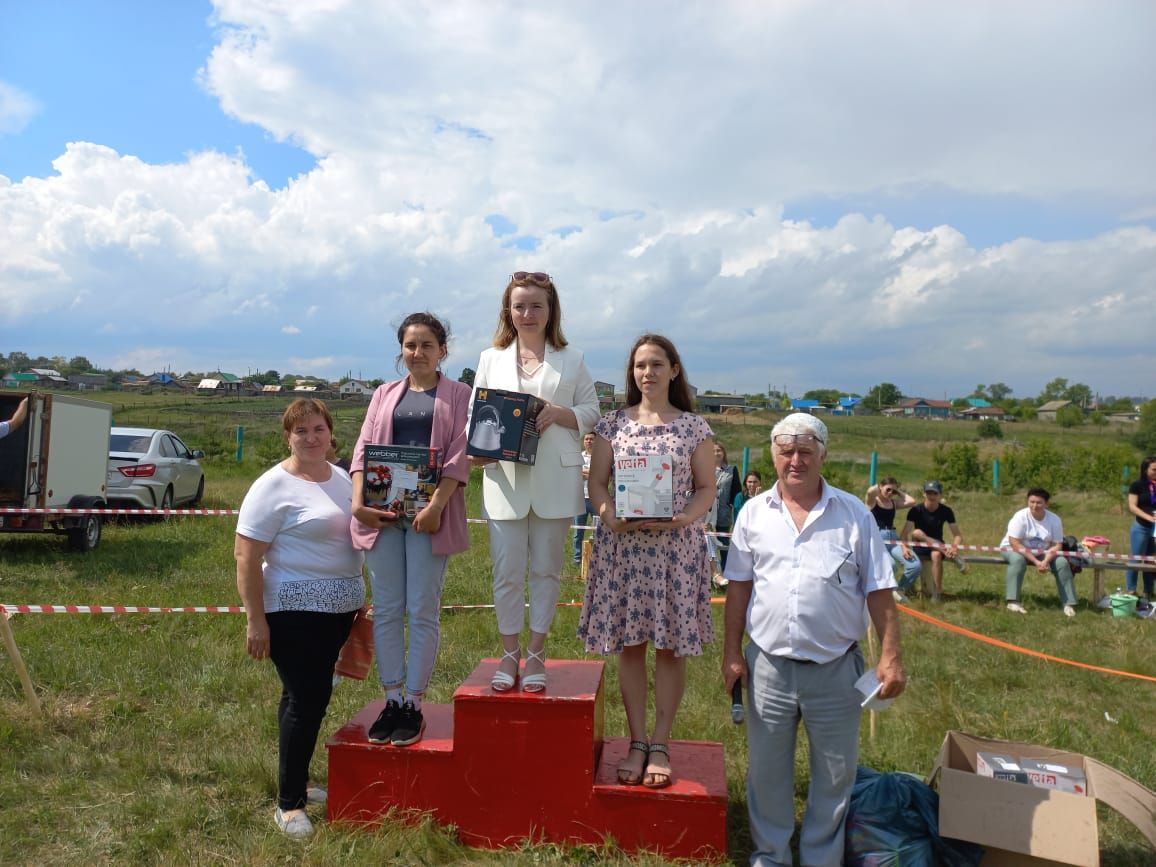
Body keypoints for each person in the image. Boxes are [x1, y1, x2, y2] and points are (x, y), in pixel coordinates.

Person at [722, 413, 906, 866]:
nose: (796, 461)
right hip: (767, 666)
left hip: (836, 669)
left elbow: (879, 589)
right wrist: (730, 653)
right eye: (786, 451)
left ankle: (821, 857)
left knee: (835, 774)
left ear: (823, 454)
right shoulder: (752, 513)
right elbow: (739, 587)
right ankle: (771, 855)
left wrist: (890, 656)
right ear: (773, 454)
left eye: (806, 451)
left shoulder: (854, 515)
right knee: (766, 774)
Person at [577, 334, 716, 789]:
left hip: (675, 552)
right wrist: (608, 516)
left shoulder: (694, 427)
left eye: (657, 364)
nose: (648, 373)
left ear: (674, 370)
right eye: (640, 365)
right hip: (625, 550)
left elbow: (706, 489)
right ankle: (636, 741)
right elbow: (597, 483)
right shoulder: (612, 426)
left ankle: (661, 742)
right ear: (631, 372)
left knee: (671, 649)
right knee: (631, 646)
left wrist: (683, 519)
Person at [235, 398, 366, 839]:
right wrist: (256, 621)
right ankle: (288, 804)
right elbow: (245, 556)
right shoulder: (272, 486)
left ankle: (301, 782)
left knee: (303, 698)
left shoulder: (344, 478)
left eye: (318, 429)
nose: (311, 438)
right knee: (306, 699)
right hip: (292, 611)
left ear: (331, 433)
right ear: (287, 436)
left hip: (339, 611)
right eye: (301, 431)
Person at [470, 271, 600, 693]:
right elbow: (479, 415)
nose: (527, 313)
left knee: (546, 572)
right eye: (519, 305)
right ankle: (509, 654)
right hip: (504, 481)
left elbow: (592, 411)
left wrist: (560, 413)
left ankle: (538, 654)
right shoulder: (490, 359)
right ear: (508, 311)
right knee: (506, 572)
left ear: (551, 311)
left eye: (536, 305)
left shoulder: (573, 358)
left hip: (555, 482)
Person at [350, 312, 471, 747]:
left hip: (427, 520)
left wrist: (437, 506)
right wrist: (358, 504)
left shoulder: (459, 395)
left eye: (426, 345)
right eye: (410, 345)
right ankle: (392, 698)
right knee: (385, 609)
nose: (417, 352)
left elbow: (459, 456)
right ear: (400, 350)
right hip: (382, 518)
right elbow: (363, 450)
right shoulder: (383, 394)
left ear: (442, 350)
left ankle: (415, 705)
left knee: (421, 609)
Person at [1000, 487, 1078, 617]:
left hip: (1042, 552)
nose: (1034, 505)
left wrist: (1045, 561)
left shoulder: (1055, 520)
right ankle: (1012, 601)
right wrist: (1036, 562)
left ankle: (1068, 604)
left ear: (1047, 504)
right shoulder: (1020, 517)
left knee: (1062, 562)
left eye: (1039, 502)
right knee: (1018, 561)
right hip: (1012, 549)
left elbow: (1056, 544)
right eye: (1031, 502)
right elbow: (1015, 543)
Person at [899, 480, 968, 602]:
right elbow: (904, 534)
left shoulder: (946, 511)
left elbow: (957, 535)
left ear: (940, 495)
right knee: (916, 532)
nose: (931, 496)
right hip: (920, 544)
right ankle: (952, 555)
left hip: (937, 546)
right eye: (929, 493)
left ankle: (937, 592)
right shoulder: (916, 510)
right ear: (924, 494)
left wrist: (954, 547)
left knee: (936, 555)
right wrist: (905, 548)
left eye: (935, 493)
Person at [864, 477, 922, 602]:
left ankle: (899, 590)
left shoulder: (893, 503)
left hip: (893, 538)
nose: (890, 493)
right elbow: (869, 492)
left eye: (893, 492)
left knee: (915, 565)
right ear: (880, 487)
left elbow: (912, 501)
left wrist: (897, 491)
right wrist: (879, 487)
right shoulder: (873, 502)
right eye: (888, 489)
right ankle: (884, 594)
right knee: (890, 565)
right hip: (877, 538)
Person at [1124, 456, 1156, 599]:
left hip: (1155, 530)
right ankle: (1131, 590)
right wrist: (1149, 517)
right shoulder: (1137, 485)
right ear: (1145, 469)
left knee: (1151, 560)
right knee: (1136, 559)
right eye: (1154, 469)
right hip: (1141, 527)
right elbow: (1132, 506)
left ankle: (1148, 591)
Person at [712, 443, 743, 570]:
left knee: (724, 544)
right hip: (706, 514)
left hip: (723, 513)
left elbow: (737, 491)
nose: (716, 453)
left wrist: (730, 505)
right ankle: (710, 574)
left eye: (719, 450)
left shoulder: (732, 469)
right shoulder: (705, 469)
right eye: (713, 451)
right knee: (707, 544)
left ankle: (727, 571)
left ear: (724, 453)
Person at [571, 431, 597, 566]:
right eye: (586, 439)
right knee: (578, 532)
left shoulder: (600, 458)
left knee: (598, 531)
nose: (588, 441)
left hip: (596, 500)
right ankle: (577, 559)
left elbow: (601, 474)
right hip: (580, 498)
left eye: (591, 439)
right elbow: (575, 473)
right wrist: (591, 473)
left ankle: (597, 557)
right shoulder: (579, 457)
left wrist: (585, 472)